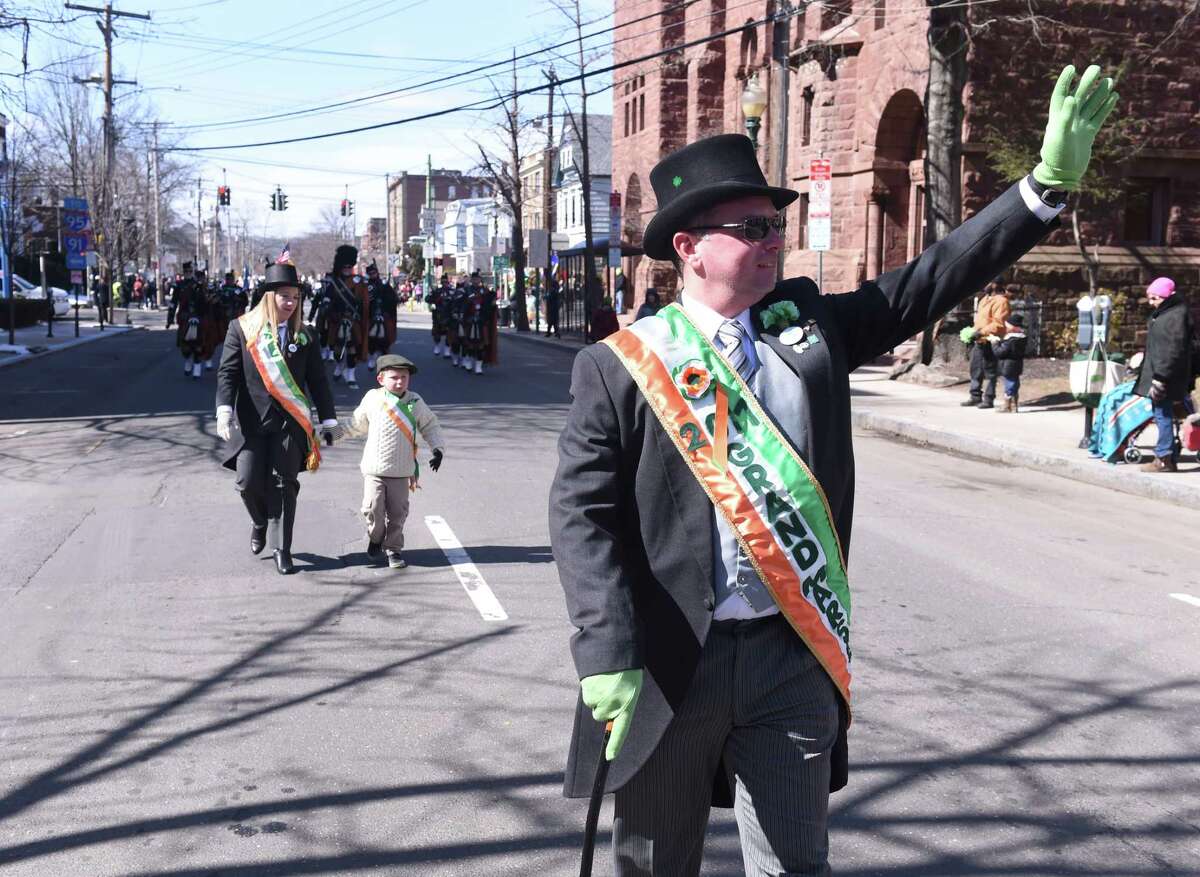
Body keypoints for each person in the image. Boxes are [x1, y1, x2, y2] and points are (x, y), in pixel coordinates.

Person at [549, 64, 1116, 876]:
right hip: (672, 661)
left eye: (775, 223)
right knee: (655, 863)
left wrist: (1041, 189)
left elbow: (930, 280)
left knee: (795, 865)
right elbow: (581, 518)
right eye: (749, 227)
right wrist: (606, 649)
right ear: (688, 248)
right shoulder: (623, 367)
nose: (771, 237)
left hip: (791, 651)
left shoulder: (808, 325)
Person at [215, 260, 338, 575]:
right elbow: (228, 373)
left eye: (295, 298)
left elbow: (318, 381)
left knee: (285, 484)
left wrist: (328, 421)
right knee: (247, 481)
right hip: (251, 421)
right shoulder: (242, 329)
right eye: (285, 296)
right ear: (269, 296)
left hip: (290, 423)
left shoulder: (305, 335)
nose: (291, 303)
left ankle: (282, 548)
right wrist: (224, 409)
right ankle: (259, 521)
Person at [348, 354, 446, 569]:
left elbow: (430, 425)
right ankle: (375, 539)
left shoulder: (415, 401)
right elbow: (355, 424)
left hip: (402, 471)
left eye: (404, 377)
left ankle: (393, 549)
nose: (400, 381)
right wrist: (327, 435)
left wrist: (438, 449)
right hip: (374, 469)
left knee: (398, 514)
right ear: (381, 379)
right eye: (394, 377)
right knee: (372, 508)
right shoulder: (373, 398)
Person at [1134, 276, 1195, 472]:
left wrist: (1160, 377)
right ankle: (1166, 456)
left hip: (1165, 377)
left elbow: (1172, 350)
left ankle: (1164, 458)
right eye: (1150, 298)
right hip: (1164, 374)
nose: (1151, 303)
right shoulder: (1167, 313)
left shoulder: (1174, 315)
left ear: (1167, 296)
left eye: (1155, 298)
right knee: (1162, 414)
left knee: (1163, 415)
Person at [322, 245, 370, 389]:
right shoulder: (334, 283)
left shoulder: (359, 282)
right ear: (340, 267)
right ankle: (339, 366)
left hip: (353, 320)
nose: (347, 269)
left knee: (353, 348)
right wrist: (327, 307)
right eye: (345, 267)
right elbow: (327, 298)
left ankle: (351, 375)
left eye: (350, 267)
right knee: (337, 348)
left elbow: (365, 301)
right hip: (337, 320)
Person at [961, 281, 1011, 409]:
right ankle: (975, 396)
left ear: (995, 284)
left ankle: (989, 399)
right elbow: (980, 320)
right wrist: (972, 332)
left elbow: (998, 324)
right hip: (979, 340)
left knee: (990, 371)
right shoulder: (984, 299)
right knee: (975, 368)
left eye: (989, 282)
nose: (985, 284)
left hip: (992, 340)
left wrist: (981, 332)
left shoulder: (1001, 301)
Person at [365, 260, 398, 370]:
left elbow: (393, 299)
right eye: (370, 274)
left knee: (385, 338)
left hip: (384, 314)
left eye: (374, 273)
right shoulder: (366, 285)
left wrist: (387, 301)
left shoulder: (384, 285)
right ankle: (371, 357)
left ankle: (383, 360)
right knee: (369, 336)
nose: (373, 275)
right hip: (370, 314)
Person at [993, 312, 1027, 413]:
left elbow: (1000, 353)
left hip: (1008, 365)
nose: (1006, 328)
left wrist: (994, 344)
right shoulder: (1021, 338)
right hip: (1017, 364)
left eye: (1007, 326)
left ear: (1013, 327)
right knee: (1014, 382)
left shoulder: (1011, 340)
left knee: (1009, 383)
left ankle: (1008, 405)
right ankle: (1013, 404)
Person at [429, 274, 453, 359]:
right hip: (438, 314)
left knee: (449, 333)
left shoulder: (452, 291)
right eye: (443, 282)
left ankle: (447, 349)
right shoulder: (437, 291)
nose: (445, 283)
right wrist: (433, 297)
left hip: (449, 314)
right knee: (437, 332)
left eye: (446, 282)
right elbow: (428, 299)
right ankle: (437, 346)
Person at [545, 272, 561, 338]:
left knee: (552, 321)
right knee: (553, 321)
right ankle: (554, 333)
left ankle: (551, 333)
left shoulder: (552, 291)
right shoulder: (555, 291)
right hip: (554, 307)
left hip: (552, 308)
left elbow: (549, 299)